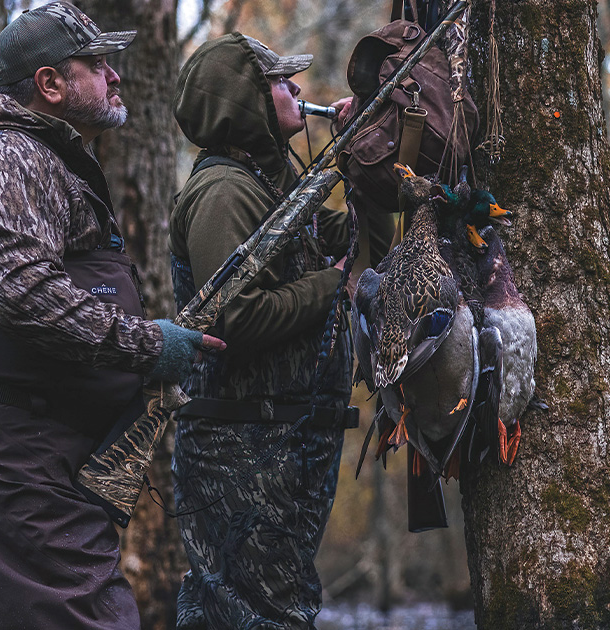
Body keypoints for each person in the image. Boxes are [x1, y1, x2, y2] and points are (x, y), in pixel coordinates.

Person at [0, 3, 223, 628]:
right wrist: (148, 345)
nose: (116, 78)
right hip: (11, 445)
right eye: (98, 65)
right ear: (50, 84)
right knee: (88, 617)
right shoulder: (6, 156)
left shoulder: (39, 158)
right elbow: (20, 291)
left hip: (17, 441)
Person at [169, 34, 394, 629]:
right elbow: (232, 320)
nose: (296, 89)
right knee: (252, 613)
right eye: (277, 81)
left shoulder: (274, 186)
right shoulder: (225, 191)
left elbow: (367, 247)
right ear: (243, 99)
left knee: (260, 609)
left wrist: (364, 157)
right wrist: (333, 285)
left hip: (282, 445)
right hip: (243, 450)